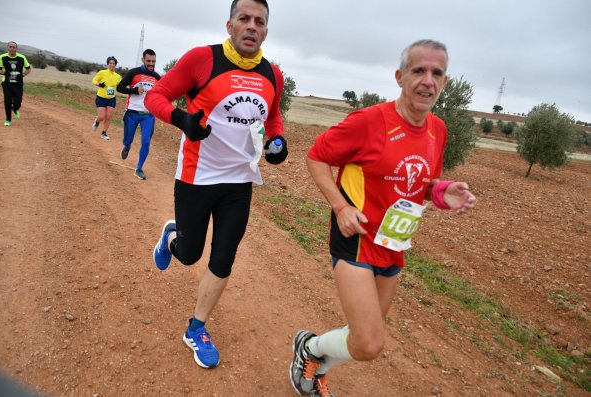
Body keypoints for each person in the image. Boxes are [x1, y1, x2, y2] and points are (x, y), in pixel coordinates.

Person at [289, 39, 477, 397]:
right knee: (371, 344)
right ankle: (309, 350)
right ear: (400, 76)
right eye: (419, 70)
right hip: (356, 239)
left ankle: (311, 361)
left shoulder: (438, 130)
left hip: (394, 245)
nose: (428, 80)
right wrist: (341, 207)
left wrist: (442, 191)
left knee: (362, 338)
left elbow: (422, 184)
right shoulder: (370, 121)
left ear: (445, 82)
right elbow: (316, 156)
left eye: (437, 73)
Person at [144, 0, 287, 369]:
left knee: (224, 258)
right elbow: (154, 95)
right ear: (230, 25)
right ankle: (171, 236)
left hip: (240, 181)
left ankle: (197, 328)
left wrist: (278, 143)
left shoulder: (273, 74)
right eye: (244, 19)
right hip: (197, 176)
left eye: (259, 21)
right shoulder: (201, 60)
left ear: (266, 31)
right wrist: (182, 120)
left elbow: (272, 117)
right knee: (190, 254)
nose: (251, 26)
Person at [116, 49, 161, 180]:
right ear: (143, 60)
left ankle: (139, 168)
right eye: (148, 61)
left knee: (146, 141)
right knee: (128, 139)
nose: (151, 64)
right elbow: (120, 87)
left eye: (153, 61)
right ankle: (127, 146)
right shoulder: (133, 73)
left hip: (148, 114)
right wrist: (134, 90)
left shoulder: (157, 77)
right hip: (132, 112)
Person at [0, 41, 31, 126]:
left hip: (18, 83)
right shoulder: (2, 57)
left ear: (16, 49)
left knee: (18, 103)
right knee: (7, 102)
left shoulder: (22, 57)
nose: (12, 49)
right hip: (6, 83)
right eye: (10, 47)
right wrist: (6, 73)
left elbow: (28, 69)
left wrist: (22, 75)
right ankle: (8, 120)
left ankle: (15, 109)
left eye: (14, 47)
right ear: (8, 48)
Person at [92, 56, 122, 140]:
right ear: (108, 64)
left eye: (113, 63)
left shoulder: (118, 76)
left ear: (115, 65)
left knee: (108, 116)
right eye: (110, 63)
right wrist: (99, 84)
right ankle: (97, 121)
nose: (112, 65)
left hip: (111, 99)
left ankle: (104, 133)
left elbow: (120, 86)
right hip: (101, 98)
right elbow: (94, 80)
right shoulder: (102, 72)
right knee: (101, 117)